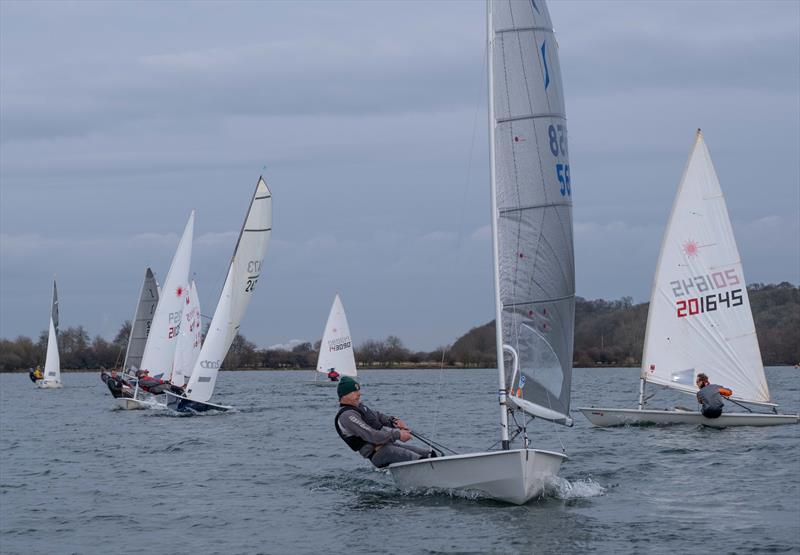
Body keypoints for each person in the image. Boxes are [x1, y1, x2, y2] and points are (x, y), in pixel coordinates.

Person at [334, 376, 434, 468]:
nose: (359, 394)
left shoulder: (359, 406)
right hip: (378, 453)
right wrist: (398, 434)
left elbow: (378, 416)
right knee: (421, 460)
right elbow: (372, 435)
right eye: (354, 391)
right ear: (344, 396)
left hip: (389, 446)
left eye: (358, 390)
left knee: (430, 454)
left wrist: (393, 421)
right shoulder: (347, 416)